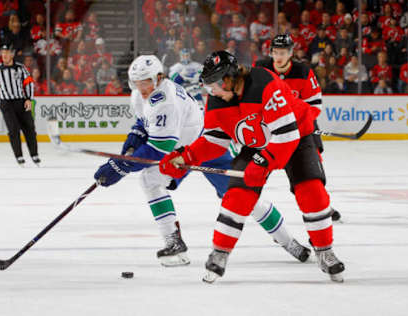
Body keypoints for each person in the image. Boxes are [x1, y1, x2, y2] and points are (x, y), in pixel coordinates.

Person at [93, 55, 310, 267]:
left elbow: (160, 150)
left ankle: (289, 242)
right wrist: (132, 143)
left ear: (159, 78)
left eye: (146, 82)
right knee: (149, 179)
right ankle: (174, 242)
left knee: (245, 196)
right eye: (136, 83)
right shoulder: (140, 95)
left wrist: (119, 165)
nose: (142, 88)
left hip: (207, 146)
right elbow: (143, 124)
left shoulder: (166, 101)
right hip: (182, 150)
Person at [159, 51, 345, 283]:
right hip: (257, 143)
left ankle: (324, 251)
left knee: (311, 192)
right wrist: (186, 157)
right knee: (236, 195)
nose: (211, 92)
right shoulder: (218, 100)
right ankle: (219, 252)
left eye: (213, 85)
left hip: (297, 136)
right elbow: (214, 141)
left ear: (228, 78)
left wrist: (263, 162)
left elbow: (286, 137)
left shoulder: (264, 83)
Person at [255, 34, 341, 221]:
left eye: (283, 52)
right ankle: (249, 202)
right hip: (269, 129)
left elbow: (315, 104)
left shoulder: (303, 71)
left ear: (291, 53)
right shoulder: (260, 69)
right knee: (257, 167)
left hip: (301, 128)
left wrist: (296, 123)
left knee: (310, 170)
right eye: (275, 52)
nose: (278, 57)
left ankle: (322, 204)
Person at [0, 42, 40, 166]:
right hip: (6, 103)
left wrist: (29, 99)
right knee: (13, 130)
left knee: (29, 129)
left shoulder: (20, 68)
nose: (4, 55)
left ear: (12, 54)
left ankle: (34, 154)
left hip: (21, 102)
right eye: (3, 53)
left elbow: (29, 83)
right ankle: (19, 156)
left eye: (7, 53)